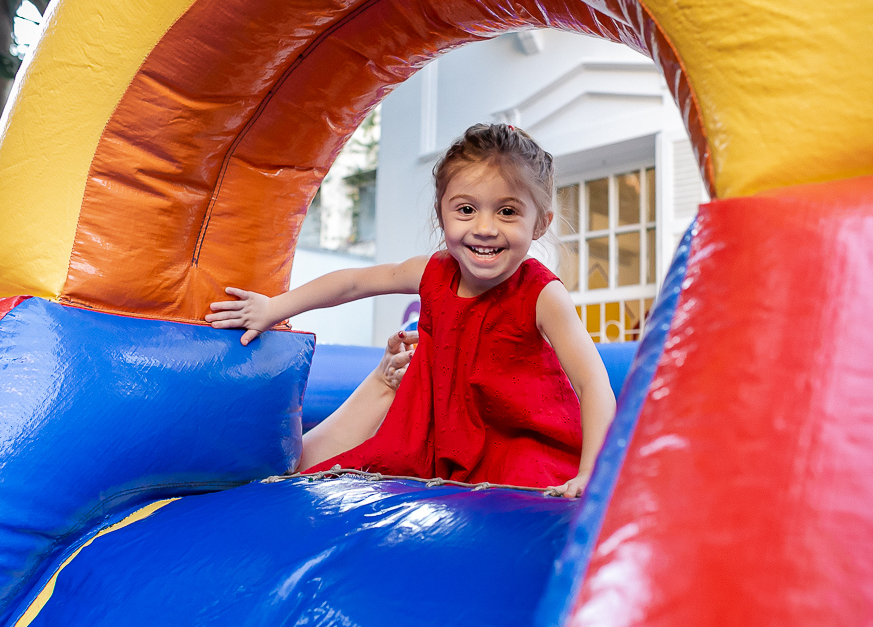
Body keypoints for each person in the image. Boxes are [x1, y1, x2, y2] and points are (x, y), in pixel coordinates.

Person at [205, 123, 615, 498]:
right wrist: (273, 307)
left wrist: (590, 471)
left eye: (507, 211)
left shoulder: (541, 293)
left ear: (539, 224)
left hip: (521, 440)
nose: (485, 227)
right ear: (442, 214)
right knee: (329, 474)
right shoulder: (433, 272)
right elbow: (354, 282)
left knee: (523, 494)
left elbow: (593, 383)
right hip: (446, 437)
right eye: (466, 209)